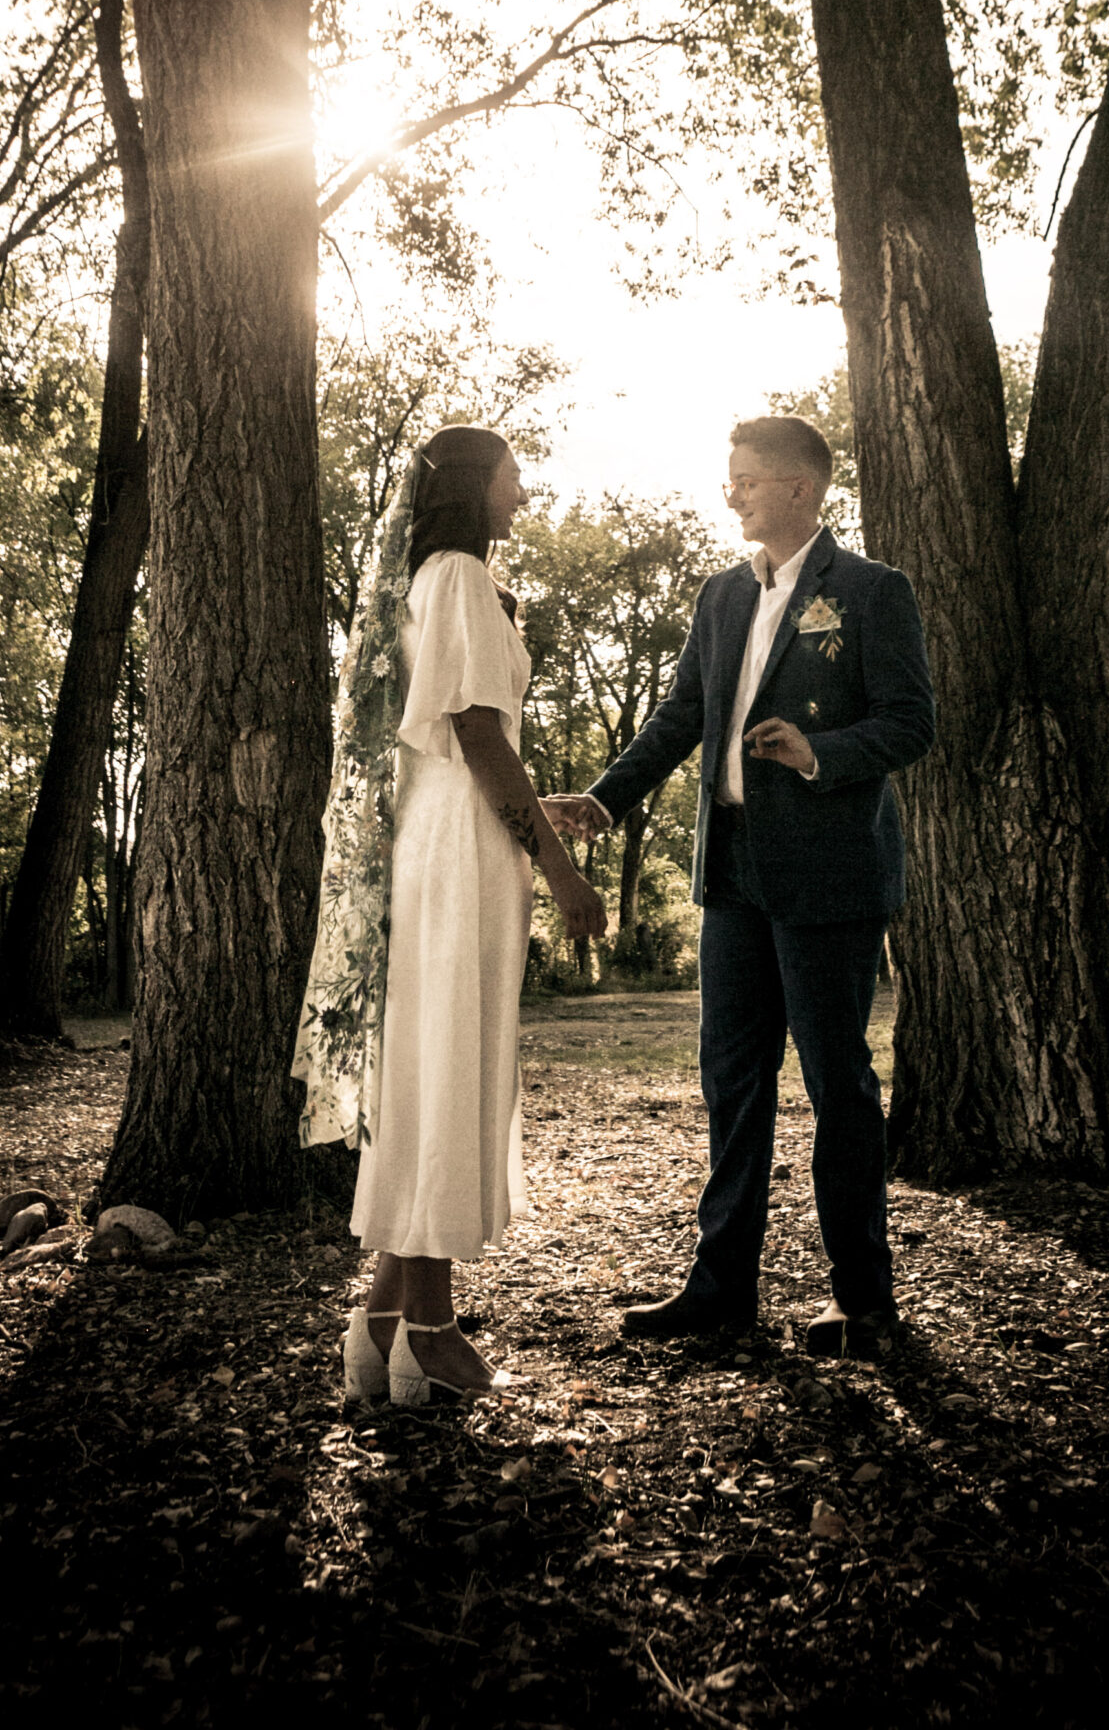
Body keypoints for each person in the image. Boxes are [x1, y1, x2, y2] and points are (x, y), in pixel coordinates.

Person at [545, 415, 934, 1358]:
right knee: (731, 1082)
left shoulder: (872, 591)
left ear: (799, 488)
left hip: (830, 874)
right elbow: (682, 713)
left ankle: (864, 1302)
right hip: (731, 874)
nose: (732, 494)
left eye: (747, 480)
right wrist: (605, 798)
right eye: (731, 479)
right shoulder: (721, 594)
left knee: (838, 1086)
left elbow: (910, 721)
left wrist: (817, 751)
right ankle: (720, 1290)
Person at [294, 426, 606, 1406]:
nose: (524, 494)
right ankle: (431, 1333)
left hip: (443, 840)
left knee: (435, 1067)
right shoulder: (462, 574)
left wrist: (538, 810)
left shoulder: (425, 581)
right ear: (474, 485)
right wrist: (559, 868)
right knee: (444, 1073)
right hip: (459, 860)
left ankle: (380, 1324)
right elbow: (474, 730)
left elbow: (459, 750)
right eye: (514, 477)